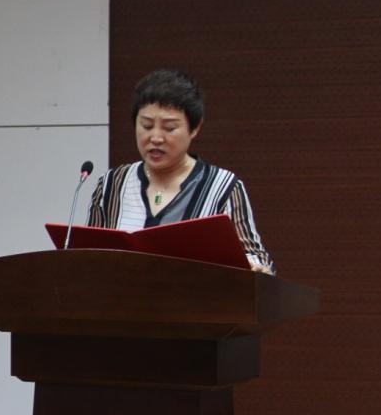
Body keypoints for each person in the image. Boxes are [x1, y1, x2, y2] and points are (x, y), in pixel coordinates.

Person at [87, 69, 275, 273]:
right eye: (147, 126)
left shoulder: (223, 187)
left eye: (169, 128)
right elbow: (87, 253)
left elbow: (254, 255)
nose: (156, 138)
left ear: (194, 128)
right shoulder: (111, 184)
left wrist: (255, 267)